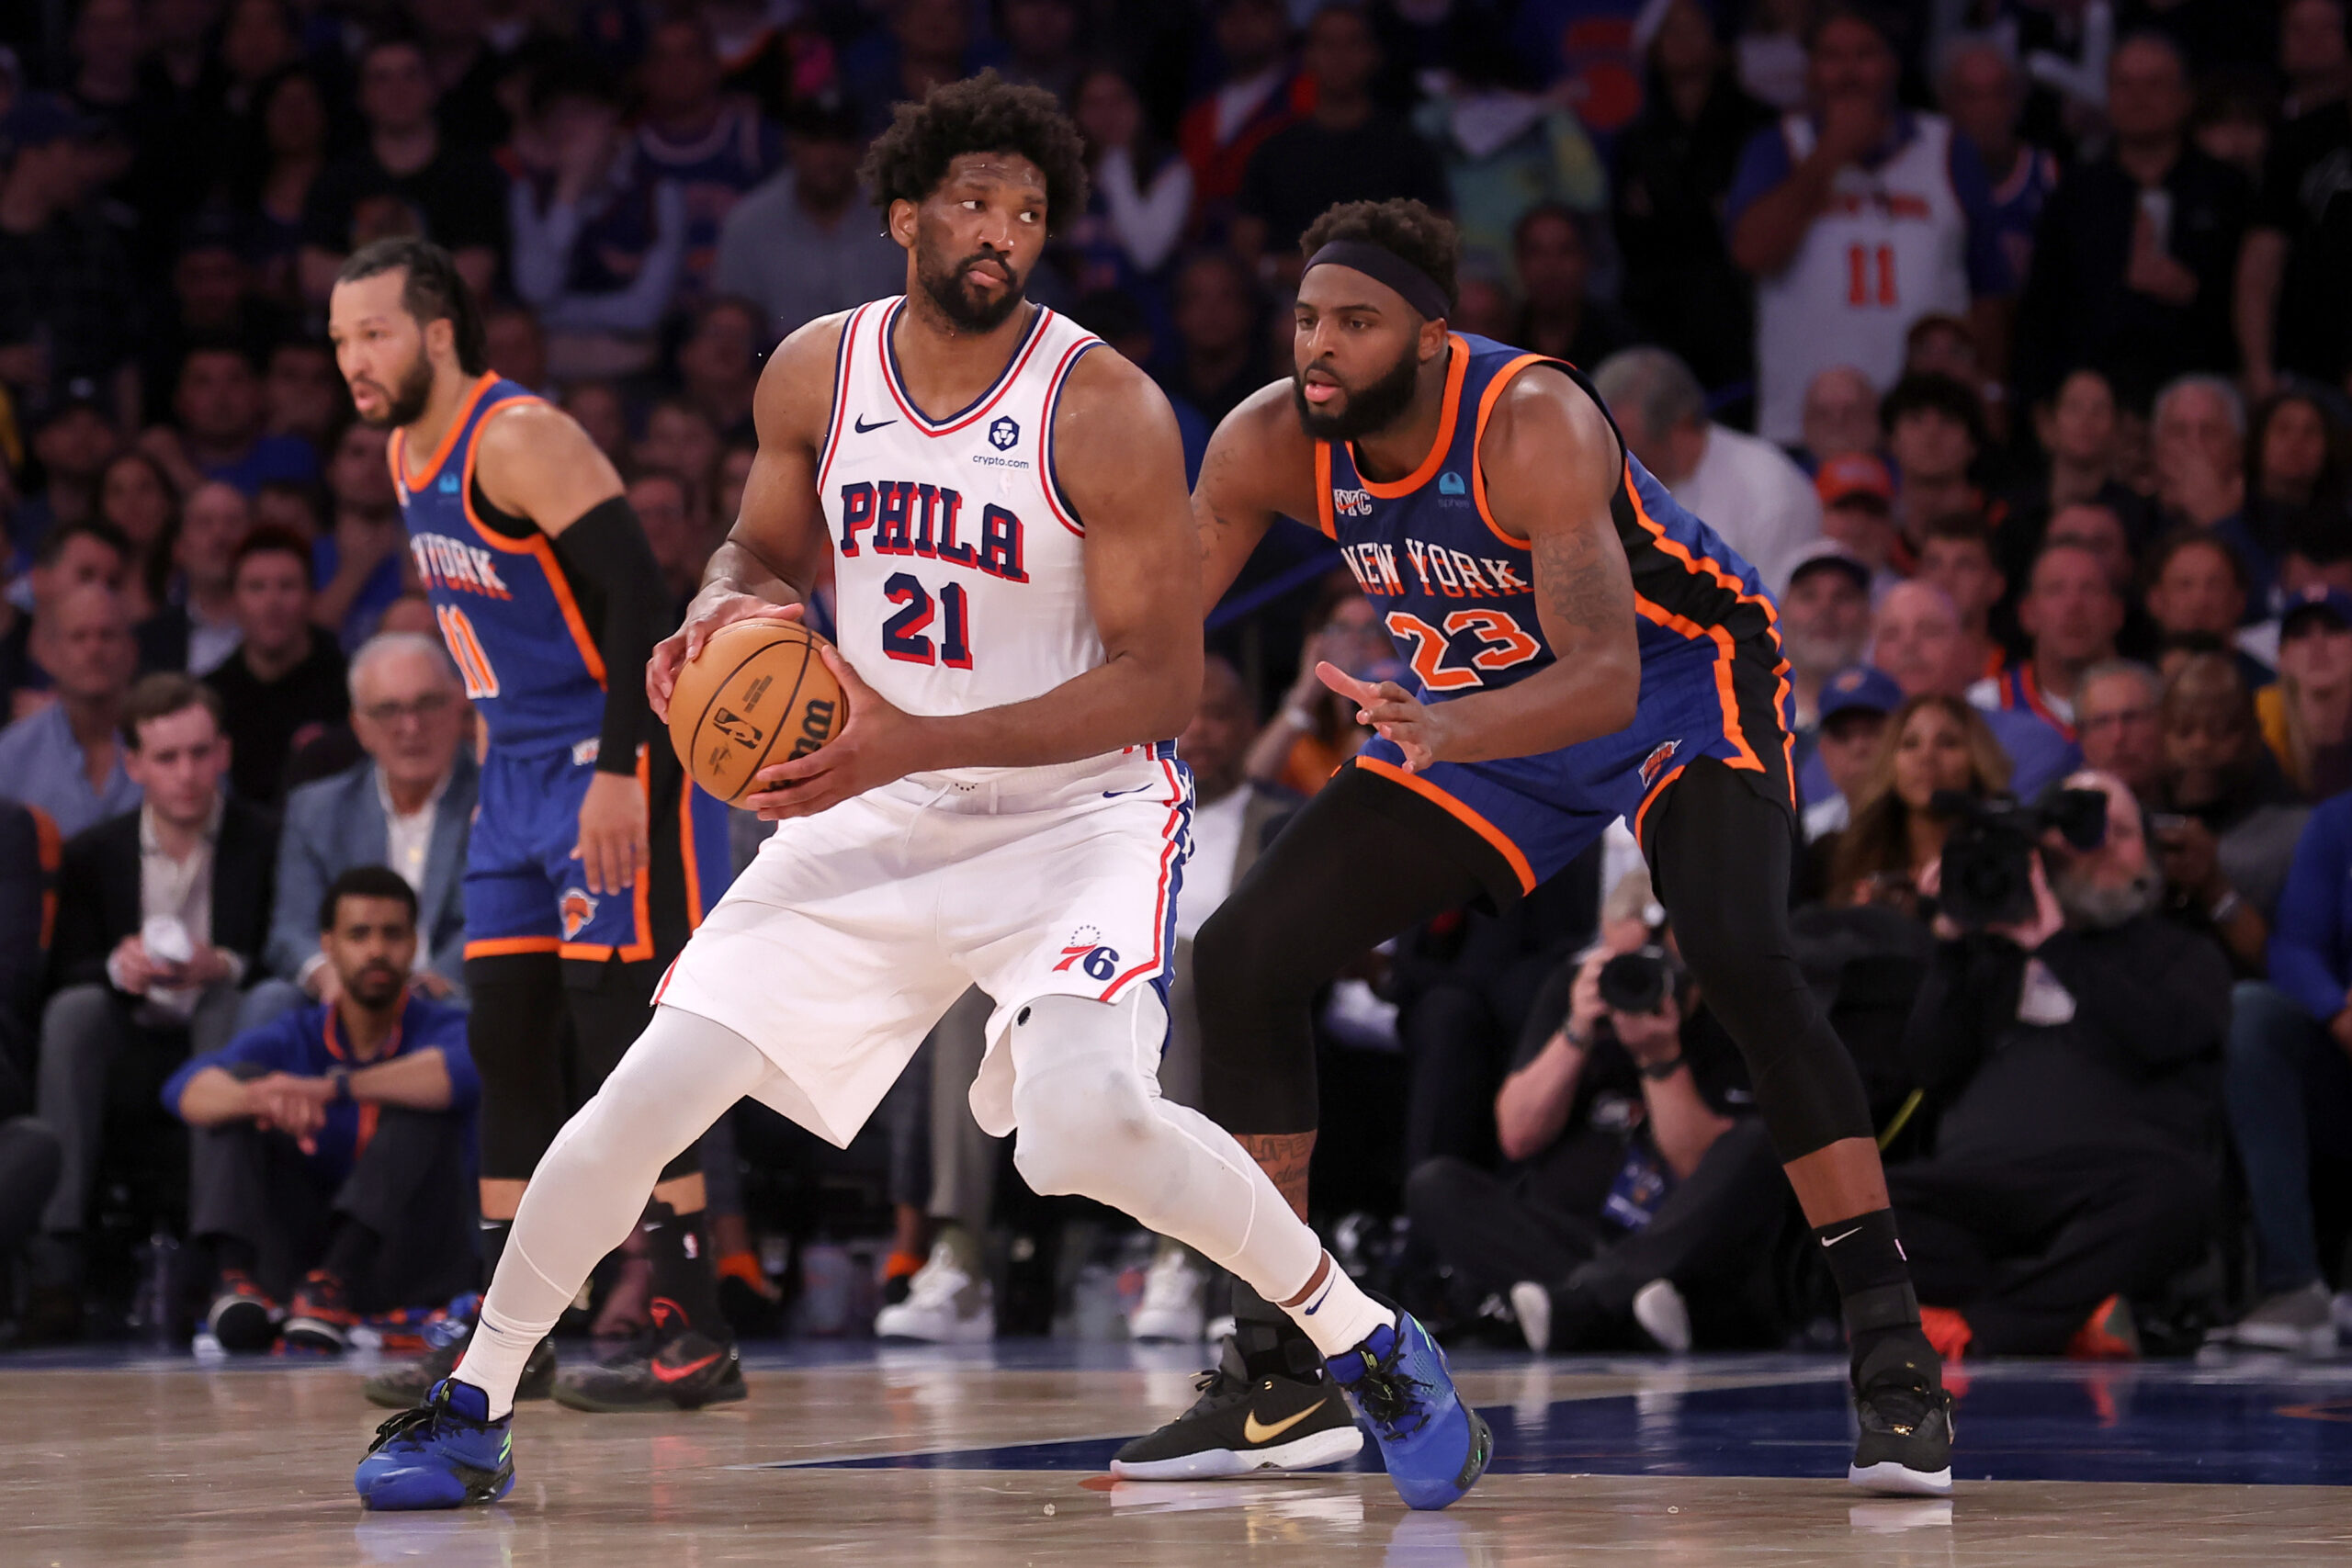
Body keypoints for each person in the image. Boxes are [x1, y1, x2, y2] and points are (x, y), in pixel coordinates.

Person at [353, 77, 1487, 1517]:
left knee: (1084, 1127)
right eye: (973, 199)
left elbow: (1156, 687)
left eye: (1027, 209)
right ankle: (475, 1403)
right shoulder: (814, 373)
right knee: (646, 1090)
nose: (1002, 230)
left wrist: (904, 738)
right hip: (873, 803)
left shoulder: (1107, 405)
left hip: (1075, 813)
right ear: (902, 214)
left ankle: (1365, 1339)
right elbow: (759, 555)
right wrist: (714, 617)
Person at [1149, 194, 1953, 1495]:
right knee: (1242, 956)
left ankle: (1894, 1355)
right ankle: (1281, 1368)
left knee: (1741, 959)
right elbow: (1154, 632)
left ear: (1430, 338)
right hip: (1475, 714)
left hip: (1675, 687)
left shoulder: (1530, 420)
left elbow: (1599, 674)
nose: (1321, 348)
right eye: (1307, 318)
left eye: (1357, 321)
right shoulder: (1264, 441)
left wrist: (1452, 723)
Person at [325, 237, 735, 1417]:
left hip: (603, 765)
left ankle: (692, 1327)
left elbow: (640, 603)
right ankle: (511, 1335)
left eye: (376, 334)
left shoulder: (517, 436)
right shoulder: (406, 449)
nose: (354, 359)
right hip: (507, 772)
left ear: (439, 331)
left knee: (625, 1055)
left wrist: (620, 771)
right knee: (504, 1041)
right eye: (343, 339)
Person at [1897, 772, 2230, 1360]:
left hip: (2110, 1188)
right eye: (2077, 832)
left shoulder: (2180, 951)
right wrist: (1950, 942)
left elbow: (2161, 1036)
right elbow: (1928, 1066)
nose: (2099, 845)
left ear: (2150, 859)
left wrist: (2055, 944)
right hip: (1977, 1189)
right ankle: (2069, 1319)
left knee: (2180, 1194)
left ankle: (1984, 1327)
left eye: (2121, 832)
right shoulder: (1989, 950)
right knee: (1868, 1211)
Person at [1410, 918, 1784, 1356]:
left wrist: (1658, 1059)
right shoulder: (1574, 987)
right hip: (1570, 1243)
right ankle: (1620, 1307)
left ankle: (1585, 1304)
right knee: (1435, 1186)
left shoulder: (1741, 1007)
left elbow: (1699, 1168)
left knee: (1758, 1144)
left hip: (1682, 1257)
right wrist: (1577, 1030)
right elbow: (1517, 1136)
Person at [28, 676, 276, 1328]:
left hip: (228, 1036)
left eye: (199, 753)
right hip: (130, 1038)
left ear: (223, 752)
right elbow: (60, 972)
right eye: (167, 758)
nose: (187, 774)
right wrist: (118, 965)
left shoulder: (265, 837)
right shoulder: (94, 852)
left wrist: (220, 962)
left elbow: (288, 953)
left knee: (229, 1000)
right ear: (133, 763)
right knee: (73, 1013)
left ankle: (222, 1256)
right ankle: (56, 1260)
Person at [168, 865, 478, 1354]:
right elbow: (185, 1090)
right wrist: (262, 1097)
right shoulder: (297, 1032)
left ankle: (334, 1283)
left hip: (404, 1258)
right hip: (298, 1256)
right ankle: (236, 1282)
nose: (376, 950)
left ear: (415, 944)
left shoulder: (443, 1025)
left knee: (421, 1098)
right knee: (238, 1088)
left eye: (392, 934)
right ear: (328, 945)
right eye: (359, 934)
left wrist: (331, 1089)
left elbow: (459, 1073)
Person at [1726, 9, 2012, 446]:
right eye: (1831, 56)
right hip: (1805, 428)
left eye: (1864, 54)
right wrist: (1830, 154)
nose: (1848, 72)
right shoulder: (1778, 147)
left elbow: (1990, 290)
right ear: (1810, 67)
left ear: (1894, 62)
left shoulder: (1949, 149)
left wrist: (1989, 389)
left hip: (1930, 427)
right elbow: (1751, 252)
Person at [2013, 32, 2251, 409]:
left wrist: (2195, 294)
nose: (2138, 97)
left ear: (2186, 96)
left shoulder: (2229, 191)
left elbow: (2259, 304)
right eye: (2124, 84)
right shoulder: (2074, 193)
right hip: (2090, 404)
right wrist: (2037, 400)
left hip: (2201, 401)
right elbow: (2041, 312)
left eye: (2154, 83)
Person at [251, 634, 476, 1026]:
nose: (411, 726)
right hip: (344, 995)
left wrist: (426, 985)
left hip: (445, 998)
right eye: (389, 710)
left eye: (428, 703)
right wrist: (328, 976)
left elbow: (496, 921)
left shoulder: (493, 802)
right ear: (360, 726)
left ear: (459, 705)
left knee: (466, 1015)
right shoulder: (317, 809)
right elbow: (291, 930)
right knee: (270, 1001)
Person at [2228, 781, 2352, 1354]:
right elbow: (2294, 948)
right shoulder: (2337, 822)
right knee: (2252, 1013)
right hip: (2341, 1062)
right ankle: (2296, 1285)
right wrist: (2337, 1008)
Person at [1232, 6, 1448, 288]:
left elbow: (1438, 238)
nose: (1339, 57)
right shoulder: (1273, 150)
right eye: (1327, 44)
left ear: (1374, 55)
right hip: (1291, 301)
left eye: (1353, 43)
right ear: (1307, 55)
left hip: (1386, 296)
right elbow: (1245, 249)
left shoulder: (1408, 147)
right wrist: (1290, 271)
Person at [297, 36, 506, 304]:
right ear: (362, 96)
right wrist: (429, 279)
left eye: (411, 75)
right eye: (381, 78)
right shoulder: (335, 181)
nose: (398, 89)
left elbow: (472, 276)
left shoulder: (471, 175)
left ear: (434, 87)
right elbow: (314, 277)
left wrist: (360, 280)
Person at [1592, 346, 1822, 588]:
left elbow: (1777, 618)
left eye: (1633, 453)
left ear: (1682, 428)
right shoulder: (1626, 485)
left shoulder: (1769, 496)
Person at [2236, 0, 2352, 399]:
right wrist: (2258, 370)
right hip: (2309, 373)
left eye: (2326, 29)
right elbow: (2261, 261)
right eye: (2298, 29)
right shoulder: (2294, 140)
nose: (2311, 41)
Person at [1870, 579, 2078, 799]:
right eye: (1891, 634)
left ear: (1966, 651)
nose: (1908, 645)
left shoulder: (2033, 745)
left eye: (1929, 631)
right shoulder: (1845, 748)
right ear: (1872, 656)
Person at [203, 526, 349, 809]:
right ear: (234, 600)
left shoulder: (351, 688)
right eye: (256, 587)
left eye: (287, 586)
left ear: (311, 596)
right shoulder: (209, 698)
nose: (272, 603)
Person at [1825, 694, 2012, 912]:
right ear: (1889, 762)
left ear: (1977, 760)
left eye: (1947, 743)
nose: (1926, 757)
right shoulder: (1838, 857)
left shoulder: (2007, 856)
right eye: (1910, 744)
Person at [0, 584, 141, 837]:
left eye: (107, 635)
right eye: (78, 637)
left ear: (132, 651)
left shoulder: (180, 748)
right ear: (49, 654)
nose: (94, 650)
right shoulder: (10, 757)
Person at [1242, 582, 1385, 795]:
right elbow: (1253, 779)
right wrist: (1307, 689)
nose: (1355, 641)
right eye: (1341, 629)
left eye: (1371, 629)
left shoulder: (1412, 708)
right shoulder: (1309, 738)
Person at [1972, 543, 2124, 740]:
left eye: (2090, 589)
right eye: (2055, 590)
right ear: (2027, 613)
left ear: (2116, 612)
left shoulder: (2152, 704)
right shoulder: (1985, 707)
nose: (2074, 605)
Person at [1778, 541, 1872, 732]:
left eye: (1843, 596)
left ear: (1868, 617)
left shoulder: (1891, 717)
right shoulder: (1745, 714)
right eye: (1808, 596)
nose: (1825, 610)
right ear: (1780, 613)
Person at [1803, 664, 1901, 840]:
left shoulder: (1930, 826)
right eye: (1841, 734)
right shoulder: (1811, 831)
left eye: (1872, 730)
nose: (1858, 746)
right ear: (1824, 750)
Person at [2074, 660, 2166, 799]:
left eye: (2131, 718)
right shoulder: (2055, 815)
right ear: (2081, 736)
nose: (2118, 736)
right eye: (2101, 722)